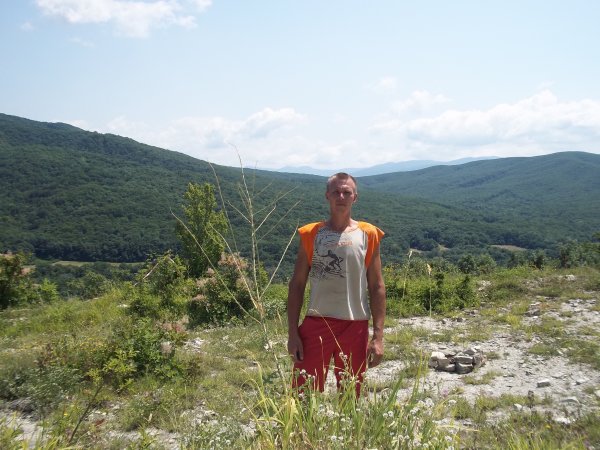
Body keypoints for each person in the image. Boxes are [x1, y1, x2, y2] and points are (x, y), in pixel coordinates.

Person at [287, 172, 386, 395]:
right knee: (304, 393)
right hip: (316, 323)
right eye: (336, 192)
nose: (341, 196)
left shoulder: (369, 234)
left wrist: (378, 337)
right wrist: (293, 333)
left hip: (355, 325)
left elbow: (377, 286)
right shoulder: (311, 234)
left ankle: (348, 422)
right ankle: (303, 421)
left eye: (347, 192)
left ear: (355, 197)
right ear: (327, 195)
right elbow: (297, 284)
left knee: (351, 395)